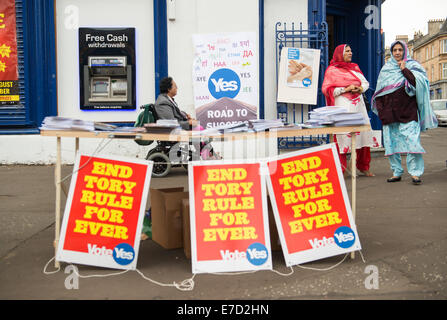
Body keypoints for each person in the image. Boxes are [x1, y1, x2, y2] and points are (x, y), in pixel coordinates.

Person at [372, 40, 438, 185]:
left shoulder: (413, 66)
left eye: (400, 50)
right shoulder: (386, 69)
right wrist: (382, 112)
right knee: (391, 144)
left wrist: (404, 70)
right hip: (389, 115)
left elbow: (419, 86)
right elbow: (379, 92)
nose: (397, 53)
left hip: (408, 113)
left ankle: (415, 173)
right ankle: (396, 172)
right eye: (394, 50)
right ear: (391, 52)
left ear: (405, 51)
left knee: (413, 143)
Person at [322, 44, 375, 176]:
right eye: (347, 51)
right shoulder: (332, 70)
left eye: (351, 51)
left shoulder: (355, 68)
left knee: (363, 135)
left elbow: (365, 83)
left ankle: (363, 166)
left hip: (358, 108)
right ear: (340, 53)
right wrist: (344, 89)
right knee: (342, 137)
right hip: (342, 109)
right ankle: (341, 168)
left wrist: (360, 89)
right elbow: (327, 90)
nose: (350, 53)